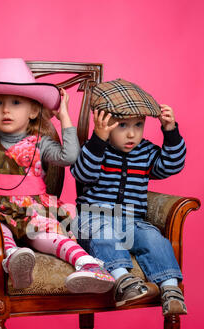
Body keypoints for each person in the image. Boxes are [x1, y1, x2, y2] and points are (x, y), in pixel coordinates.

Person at [0, 58, 115, 293]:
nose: (6, 110)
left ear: (33, 111)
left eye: (16, 103)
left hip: (32, 211)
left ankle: (88, 265)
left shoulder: (39, 143)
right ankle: (14, 258)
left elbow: (69, 157)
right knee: (0, 231)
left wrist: (64, 116)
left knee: (45, 236)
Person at [70, 79, 187, 314]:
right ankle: (123, 279)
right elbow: (83, 173)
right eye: (122, 125)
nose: (132, 133)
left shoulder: (144, 151)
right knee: (105, 233)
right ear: (104, 124)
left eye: (138, 125)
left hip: (132, 221)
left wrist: (170, 132)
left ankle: (170, 289)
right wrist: (98, 139)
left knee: (154, 239)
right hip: (93, 219)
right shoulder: (95, 150)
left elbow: (171, 164)